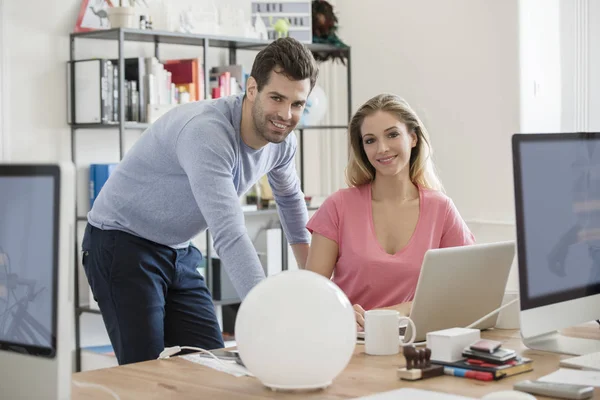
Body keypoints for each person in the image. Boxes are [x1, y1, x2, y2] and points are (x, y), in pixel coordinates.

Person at [81, 37, 319, 365]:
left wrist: (315, 283)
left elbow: (290, 199)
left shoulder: (281, 143)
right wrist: (268, 313)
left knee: (213, 362)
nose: (286, 114)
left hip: (177, 249)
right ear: (252, 89)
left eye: (297, 104)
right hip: (121, 244)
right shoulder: (207, 134)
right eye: (276, 98)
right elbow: (230, 235)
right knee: (144, 371)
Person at [305, 93, 475, 330]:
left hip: (415, 341)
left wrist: (395, 312)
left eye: (392, 134)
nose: (382, 149)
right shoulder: (337, 207)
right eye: (370, 140)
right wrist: (339, 312)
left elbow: (465, 290)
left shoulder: (441, 209)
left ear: (413, 138)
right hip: (349, 341)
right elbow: (310, 295)